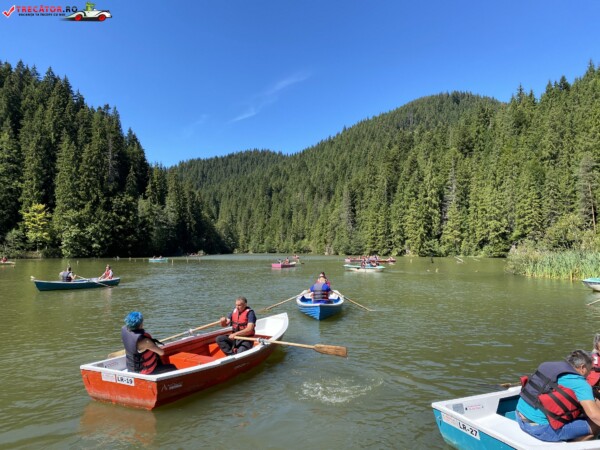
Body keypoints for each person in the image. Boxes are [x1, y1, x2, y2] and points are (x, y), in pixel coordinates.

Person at [515, 349, 600, 442]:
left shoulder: (546, 365)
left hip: (520, 416)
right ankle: (571, 446)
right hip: (540, 429)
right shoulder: (580, 383)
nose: (590, 373)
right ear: (583, 367)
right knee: (595, 425)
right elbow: (594, 416)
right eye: (590, 369)